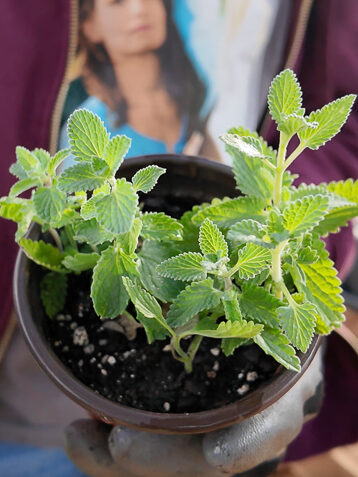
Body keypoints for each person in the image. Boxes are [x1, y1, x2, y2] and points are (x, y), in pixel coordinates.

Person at [0, 0, 357, 476]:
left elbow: (349, 121)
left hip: (237, 250)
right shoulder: (92, 117)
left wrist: (297, 317)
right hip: (17, 402)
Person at [59, 0, 219, 162]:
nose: (139, 9)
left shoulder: (205, 105)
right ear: (88, 25)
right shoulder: (86, 130)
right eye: (118, 2)